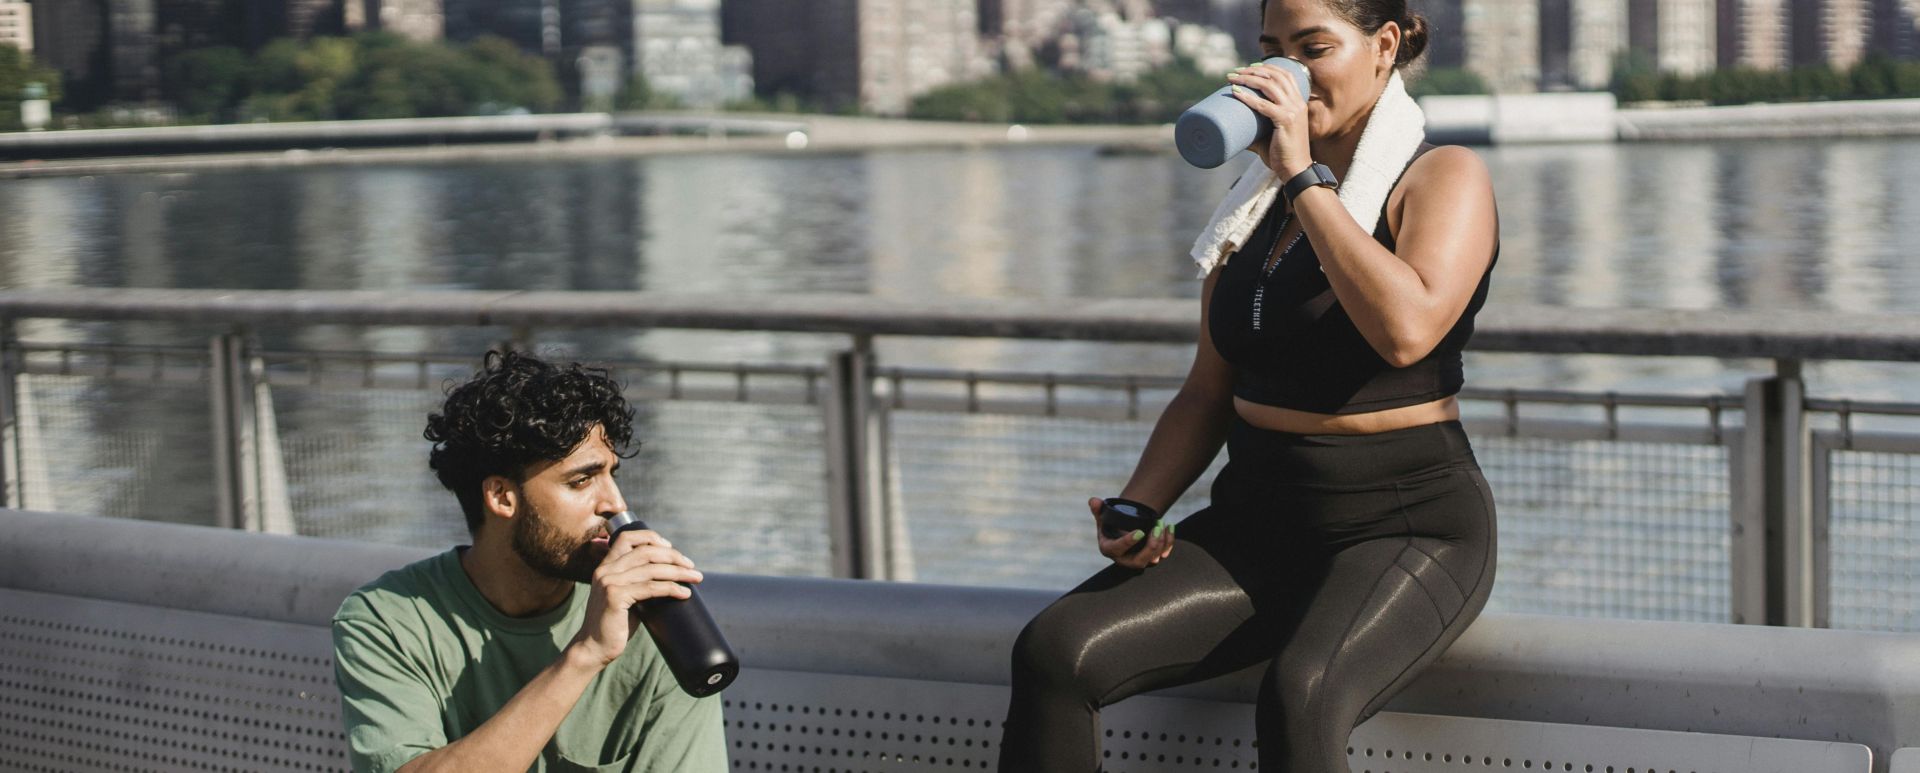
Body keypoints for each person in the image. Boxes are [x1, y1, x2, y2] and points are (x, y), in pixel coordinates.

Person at [997, 0, 1500, 768]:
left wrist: (1304, 175)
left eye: (1313, 48)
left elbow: (1407, 329)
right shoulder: (1254, 204)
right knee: (1054, 652)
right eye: (1270, 50)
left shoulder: (1441, 176)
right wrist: (1141, 505)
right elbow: (1207, 389)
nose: (1284, 73)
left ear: (1384, 46)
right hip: (1258, 520)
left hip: (1408, 528)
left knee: (1301, 693)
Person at [331, 351, 726, 773]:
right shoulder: (386, 620)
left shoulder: (660, 623)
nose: (614, 503)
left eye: (612, 474)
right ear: (502, 496)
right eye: (581, 480)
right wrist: (586, 653)